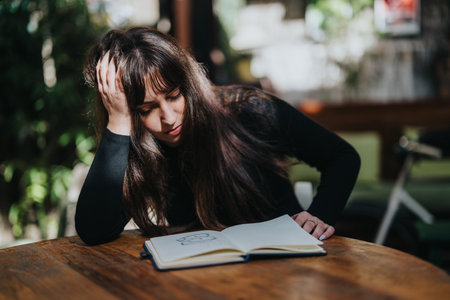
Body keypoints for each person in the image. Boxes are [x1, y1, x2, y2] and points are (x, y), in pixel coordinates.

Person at [75, 26, 360, 245]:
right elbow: (94, 230)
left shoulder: (250, 109)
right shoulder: (138, 144)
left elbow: (343, 157)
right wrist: (118, 124)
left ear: (188, 85)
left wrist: (320, 215)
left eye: (174, 96)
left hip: (285, 266)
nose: (169, 118)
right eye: (147, 109)